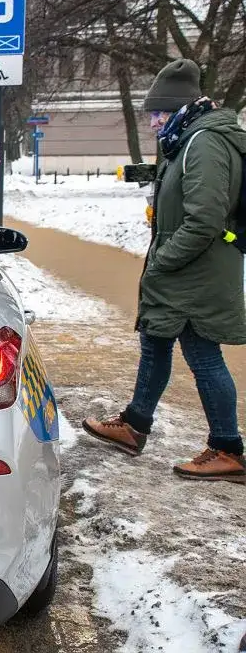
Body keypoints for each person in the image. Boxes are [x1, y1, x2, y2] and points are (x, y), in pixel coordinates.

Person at [83, 58, 246, 484]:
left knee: (202, 354)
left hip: (196, 271)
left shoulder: (205, 142)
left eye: (158, 113)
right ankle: (134, 426)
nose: (153, 122)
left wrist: (164, 258)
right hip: (183, 269)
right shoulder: (186, 139)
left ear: (181, 108)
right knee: (155, 343)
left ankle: (228, 448)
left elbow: (206, 218)